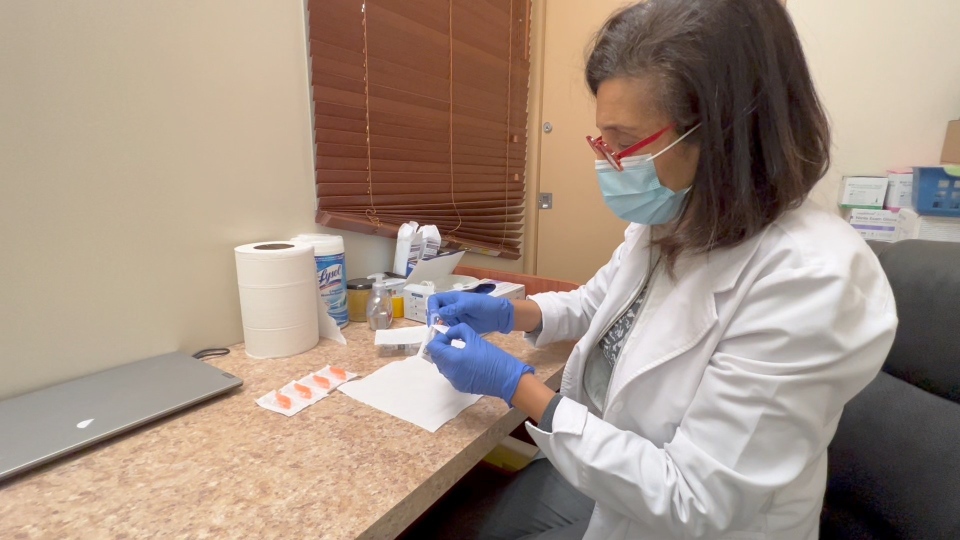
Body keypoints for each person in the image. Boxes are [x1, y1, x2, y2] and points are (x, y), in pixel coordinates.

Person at [420, 0, 899, 539]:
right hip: (613, 475)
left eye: (625, 144)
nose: (609, 162)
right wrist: (506, 312)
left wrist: (515, 385)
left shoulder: (813, 282)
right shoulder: (678, 212)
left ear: (725, 137)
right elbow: (597, 301)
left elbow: (693, 499)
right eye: (605, 140)